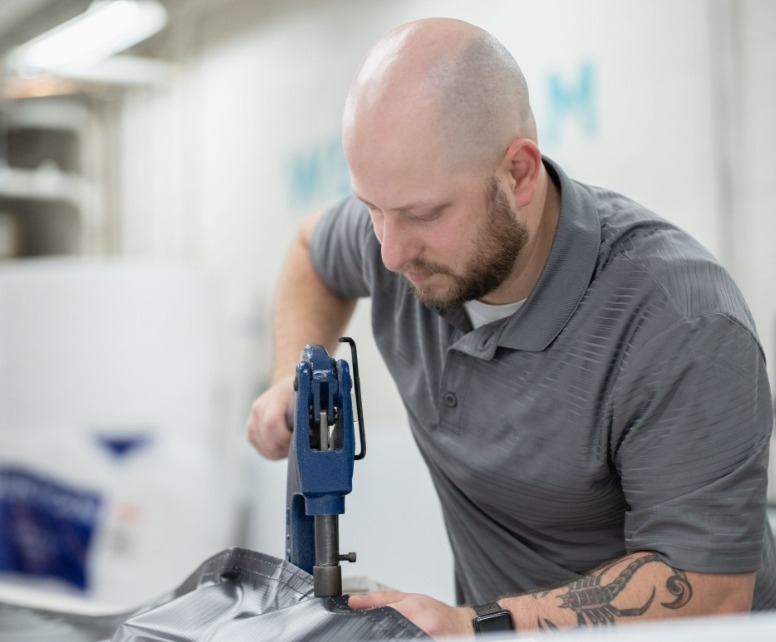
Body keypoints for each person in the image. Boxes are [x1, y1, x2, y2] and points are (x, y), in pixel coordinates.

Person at [246, 17, 776, 638]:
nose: (389, 254)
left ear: (519, 175)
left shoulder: (681, 324)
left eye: (423, 214)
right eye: (371, 211)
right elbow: (314, 252)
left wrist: (477, 624)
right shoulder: (402, 240)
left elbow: (709, 592)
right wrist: (291, 372)